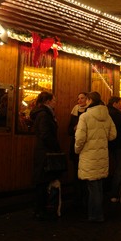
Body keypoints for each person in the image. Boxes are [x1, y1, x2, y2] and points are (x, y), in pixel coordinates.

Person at [75, 91, 117, 222]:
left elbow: (80, 138)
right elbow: (113, 135)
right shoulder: (107, 116)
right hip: (102, 156)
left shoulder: (85, 117)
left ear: (90, 100)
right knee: (98, 186)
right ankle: (98, 213)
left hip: (89, 156)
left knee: (92, 188)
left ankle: (96, 215)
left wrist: (77, 149)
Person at [30, 91, 61, 220]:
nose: (55, 102)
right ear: (48, 101)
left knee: (42, 181)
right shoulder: (44, 115)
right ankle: (40, 210)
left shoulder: (43, 113)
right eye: (54, 100)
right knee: (42, 182)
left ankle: (40, 209)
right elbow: (45, 134)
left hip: (43, 151)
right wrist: (55, 147)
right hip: (45, 152)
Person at [67, 92, 88, 208]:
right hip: (75, 146)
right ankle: (77, 198)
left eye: (82, 98)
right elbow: (69, 130)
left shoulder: (90, 111)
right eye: (78, 98)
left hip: (86, 147)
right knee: (76, 173)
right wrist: (74, 128)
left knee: (85, 173)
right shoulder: (75, 110)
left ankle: (85, 197)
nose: (79, 100)